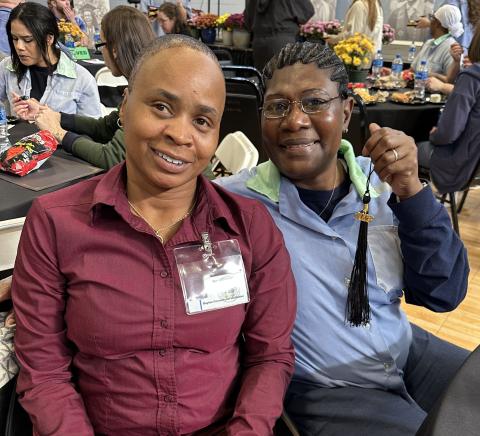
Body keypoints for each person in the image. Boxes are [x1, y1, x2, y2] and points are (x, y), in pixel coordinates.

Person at [11, 34, 297, 435]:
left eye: (202, 121)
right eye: (162, 107)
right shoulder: (56, 224)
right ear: (125, 105)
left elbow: (271, 356)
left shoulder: (250, 227)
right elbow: (44, 372)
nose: (181, 135)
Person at [217, 41, 470, 436]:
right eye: (277, 106)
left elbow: (444, 294)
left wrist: (413, 192)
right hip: (326, 385)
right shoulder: (232, 203)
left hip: (405, 349)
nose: (295, 121)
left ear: (347, 112)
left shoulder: (383, 183)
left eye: (315, 102)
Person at [13, 6, 155, 170]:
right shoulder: (139, 85)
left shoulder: (143, 94)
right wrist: (54, 116)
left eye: (101, 44)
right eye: (15, 39)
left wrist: (58, 132)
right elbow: (105, 127)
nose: (20, 47)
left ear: (115, 50)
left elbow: (110, 157)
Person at [0, 2, 101, 118]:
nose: (19, 47)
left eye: (27, 40)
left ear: (49, 38)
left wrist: (47, 117)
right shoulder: (7, 67)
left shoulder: (82, 79)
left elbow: (93, 132)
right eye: (14, 38)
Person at [417, 25, 480, 195]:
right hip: (474, 164)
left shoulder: (472, 77)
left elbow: (447, 134)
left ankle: (407, 208)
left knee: (406, 147)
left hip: (457, 162)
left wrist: (435, 134)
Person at [244, 0, 314, 71]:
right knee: (284, 79)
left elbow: (247, 21)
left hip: (259, 44)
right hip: (283, 41)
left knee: (264, 79)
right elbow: (307, 11)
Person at [410, 4, 463, 79]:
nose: (430, 22)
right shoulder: (428, 43)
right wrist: (393, 73)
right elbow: (412, 71)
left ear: (437, 23)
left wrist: (430, 75)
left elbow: (451, 81)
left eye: (432, 18)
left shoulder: (452, 49)